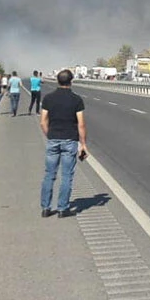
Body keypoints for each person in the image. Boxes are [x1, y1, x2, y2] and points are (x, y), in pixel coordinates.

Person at [40, 69, 87, 218]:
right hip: (70, 140)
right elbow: (81, 124)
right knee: (67, 175)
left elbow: (43, 121)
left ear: (57, 81)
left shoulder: (48, 98)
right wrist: (83, 144)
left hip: (53, 139)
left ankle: (46, 208)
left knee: (49, 175)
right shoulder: (76, 100)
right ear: (71, 81)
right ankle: (62, 209)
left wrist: (50, 135)